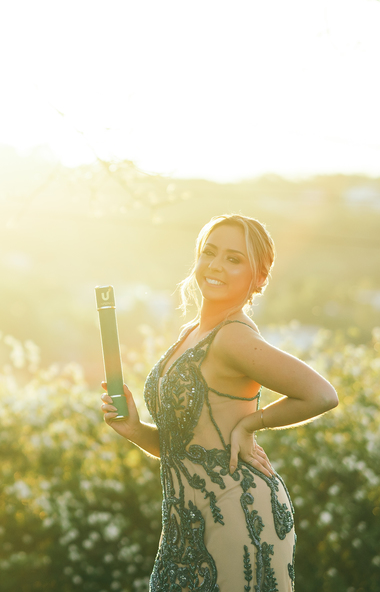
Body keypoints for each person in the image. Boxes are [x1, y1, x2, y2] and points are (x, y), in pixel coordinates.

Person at [100, 214, 338, 592]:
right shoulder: (190, 333)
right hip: (182, 525)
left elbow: (322, 394)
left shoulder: (233, 338)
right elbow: (186, 451)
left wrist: (250, 424)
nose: (215, 265)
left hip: (238, 514)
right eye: (209, 253)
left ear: (258, 277)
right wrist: (134, 430)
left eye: (233, 258)